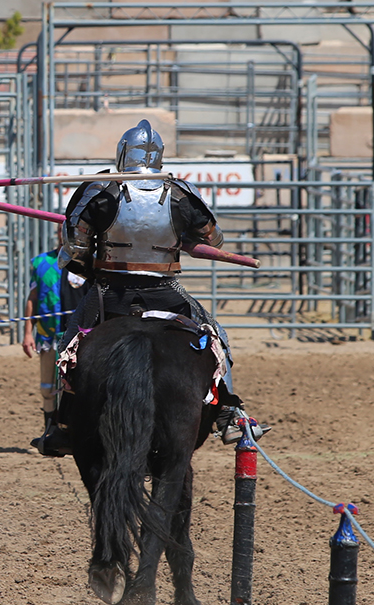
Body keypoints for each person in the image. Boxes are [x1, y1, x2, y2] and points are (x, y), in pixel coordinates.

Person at [34, 119, 268, 457]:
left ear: (123, 153)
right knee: (216, 335)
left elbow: (74, 250)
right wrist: (178, 235)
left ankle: (62, 424)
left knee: (69, 343)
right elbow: (214, 238)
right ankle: (229, 416)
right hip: (166, 291)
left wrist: (93, 255)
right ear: (158, 156)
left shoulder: (99, 189)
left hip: (109, 291)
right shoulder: (179, 192)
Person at [22, 229, 89, 448]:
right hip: (49, 334)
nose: (65, 234)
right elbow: (33, 297)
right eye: (62, 230)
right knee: (47, 386)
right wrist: (27, 333)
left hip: (80, 335)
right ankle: (50, 432)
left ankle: (76, 432)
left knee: (78, 386)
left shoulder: (86, 263)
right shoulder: (41, 262)